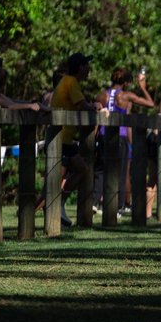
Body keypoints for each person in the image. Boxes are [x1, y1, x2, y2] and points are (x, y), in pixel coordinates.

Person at [49, 52, 100, 226]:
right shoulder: (71, 81)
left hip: (65, 139)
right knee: (53, 183)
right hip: (60, 138)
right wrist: (95, 108)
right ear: (80, 67)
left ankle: (58, 205)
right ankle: (43, 210)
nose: (89, 69)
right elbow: (82, 105)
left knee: (80, 170)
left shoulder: (70, 82)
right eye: (87, 65)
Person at [95, 67, 154, 215]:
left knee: (101, 170)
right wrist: (142, 88)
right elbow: (150, 103)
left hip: (103, 135)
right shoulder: (126, 96)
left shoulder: (102, 95)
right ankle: (118, 206)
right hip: (120, 137)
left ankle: (95, 202)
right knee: (120, 173)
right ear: (126, 83)